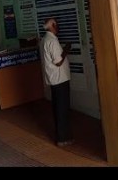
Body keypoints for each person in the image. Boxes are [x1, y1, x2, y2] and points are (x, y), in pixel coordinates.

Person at [40, 17, 73, 147]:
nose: (58, 27)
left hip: (54, 79)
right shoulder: (52, 41)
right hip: (60, 79)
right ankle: (62, 138)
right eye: (56, 25)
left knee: (58, 108)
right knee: (62, 109)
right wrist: (66, 49)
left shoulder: (45, 40)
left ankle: (62, 136)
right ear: (52, 25)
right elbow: (58, 61)